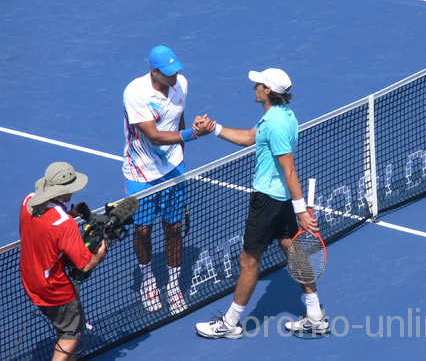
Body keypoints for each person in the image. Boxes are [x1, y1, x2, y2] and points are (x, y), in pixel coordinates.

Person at [194, 68, 330, 339]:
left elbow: (289, 169)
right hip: (279, 200)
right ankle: (315, 316)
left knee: (248, 260)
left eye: (259, 84)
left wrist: (301, 211)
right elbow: (248, 137)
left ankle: (230, 323)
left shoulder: (276, 124)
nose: (254, 86)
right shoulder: (281, 115)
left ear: (268, 90)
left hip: (268, 201)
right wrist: (214, 128)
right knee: (292, 250)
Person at [123, 45, 215, 315]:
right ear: (154, 72)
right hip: (141, 171)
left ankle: (173, 285)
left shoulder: (181, 83)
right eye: (168, 73)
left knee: (173, 228)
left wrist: (189, 134)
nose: (174, 77)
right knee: (143, 231)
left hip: (174, 168)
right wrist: (196, 135)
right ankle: (148, 281)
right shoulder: (136, 93)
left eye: (176, 71)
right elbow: (155, 136)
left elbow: (178, 119)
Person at [19, 162, 107, 361]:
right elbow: (85, 264)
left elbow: (45, 228)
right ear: (63, 191)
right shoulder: (64, 224)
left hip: (30, 278)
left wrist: (70, 214)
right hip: (54, 287)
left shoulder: (28, 201)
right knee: (72, 332)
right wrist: (100, 254)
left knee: (63, 326)